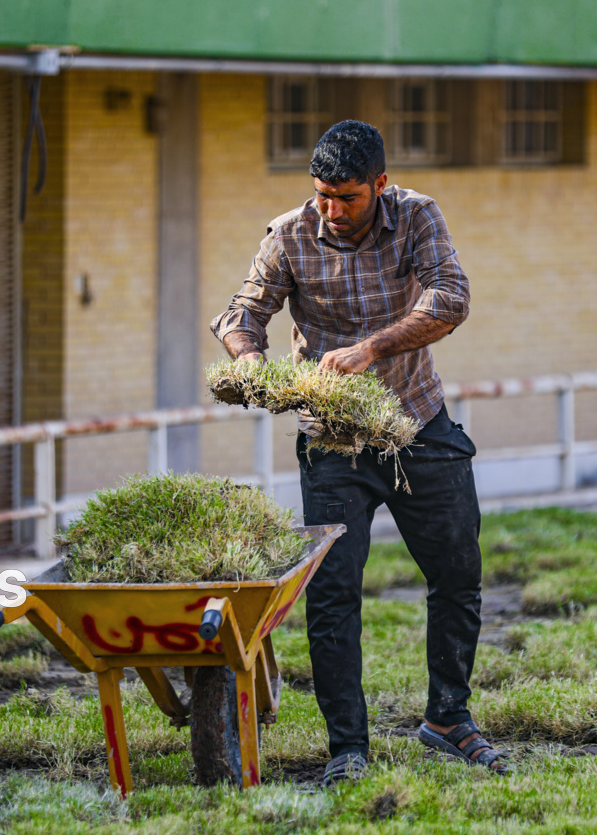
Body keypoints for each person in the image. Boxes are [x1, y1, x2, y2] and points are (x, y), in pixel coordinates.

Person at [210, 120, 509, 785]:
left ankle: (449, 717)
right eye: (323, 196)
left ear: (379, 184)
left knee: (458, 574)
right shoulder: (289, 233)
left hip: (416, 425)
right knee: (335, 595)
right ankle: (348, 747)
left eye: (347, 197)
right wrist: (256, 364)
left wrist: (372, 347)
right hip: (332, 441)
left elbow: (450, 299)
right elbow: (240, 314)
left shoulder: (416, 218)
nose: (333, 211)